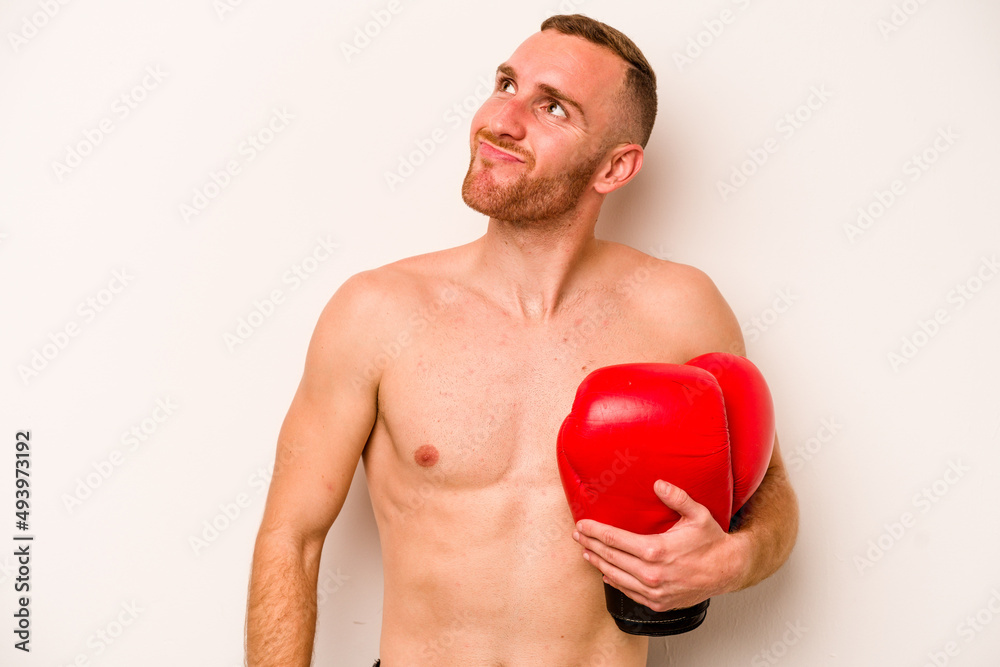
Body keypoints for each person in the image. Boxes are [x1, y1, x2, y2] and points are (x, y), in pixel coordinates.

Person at [245, 14, 798, 667]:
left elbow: (772, 497)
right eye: (506, 83)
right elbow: (291, 538)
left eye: (552, 107)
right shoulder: (377, 311)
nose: (501, 120)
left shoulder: (680, 309)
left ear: (615, 167)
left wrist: (730, 559)